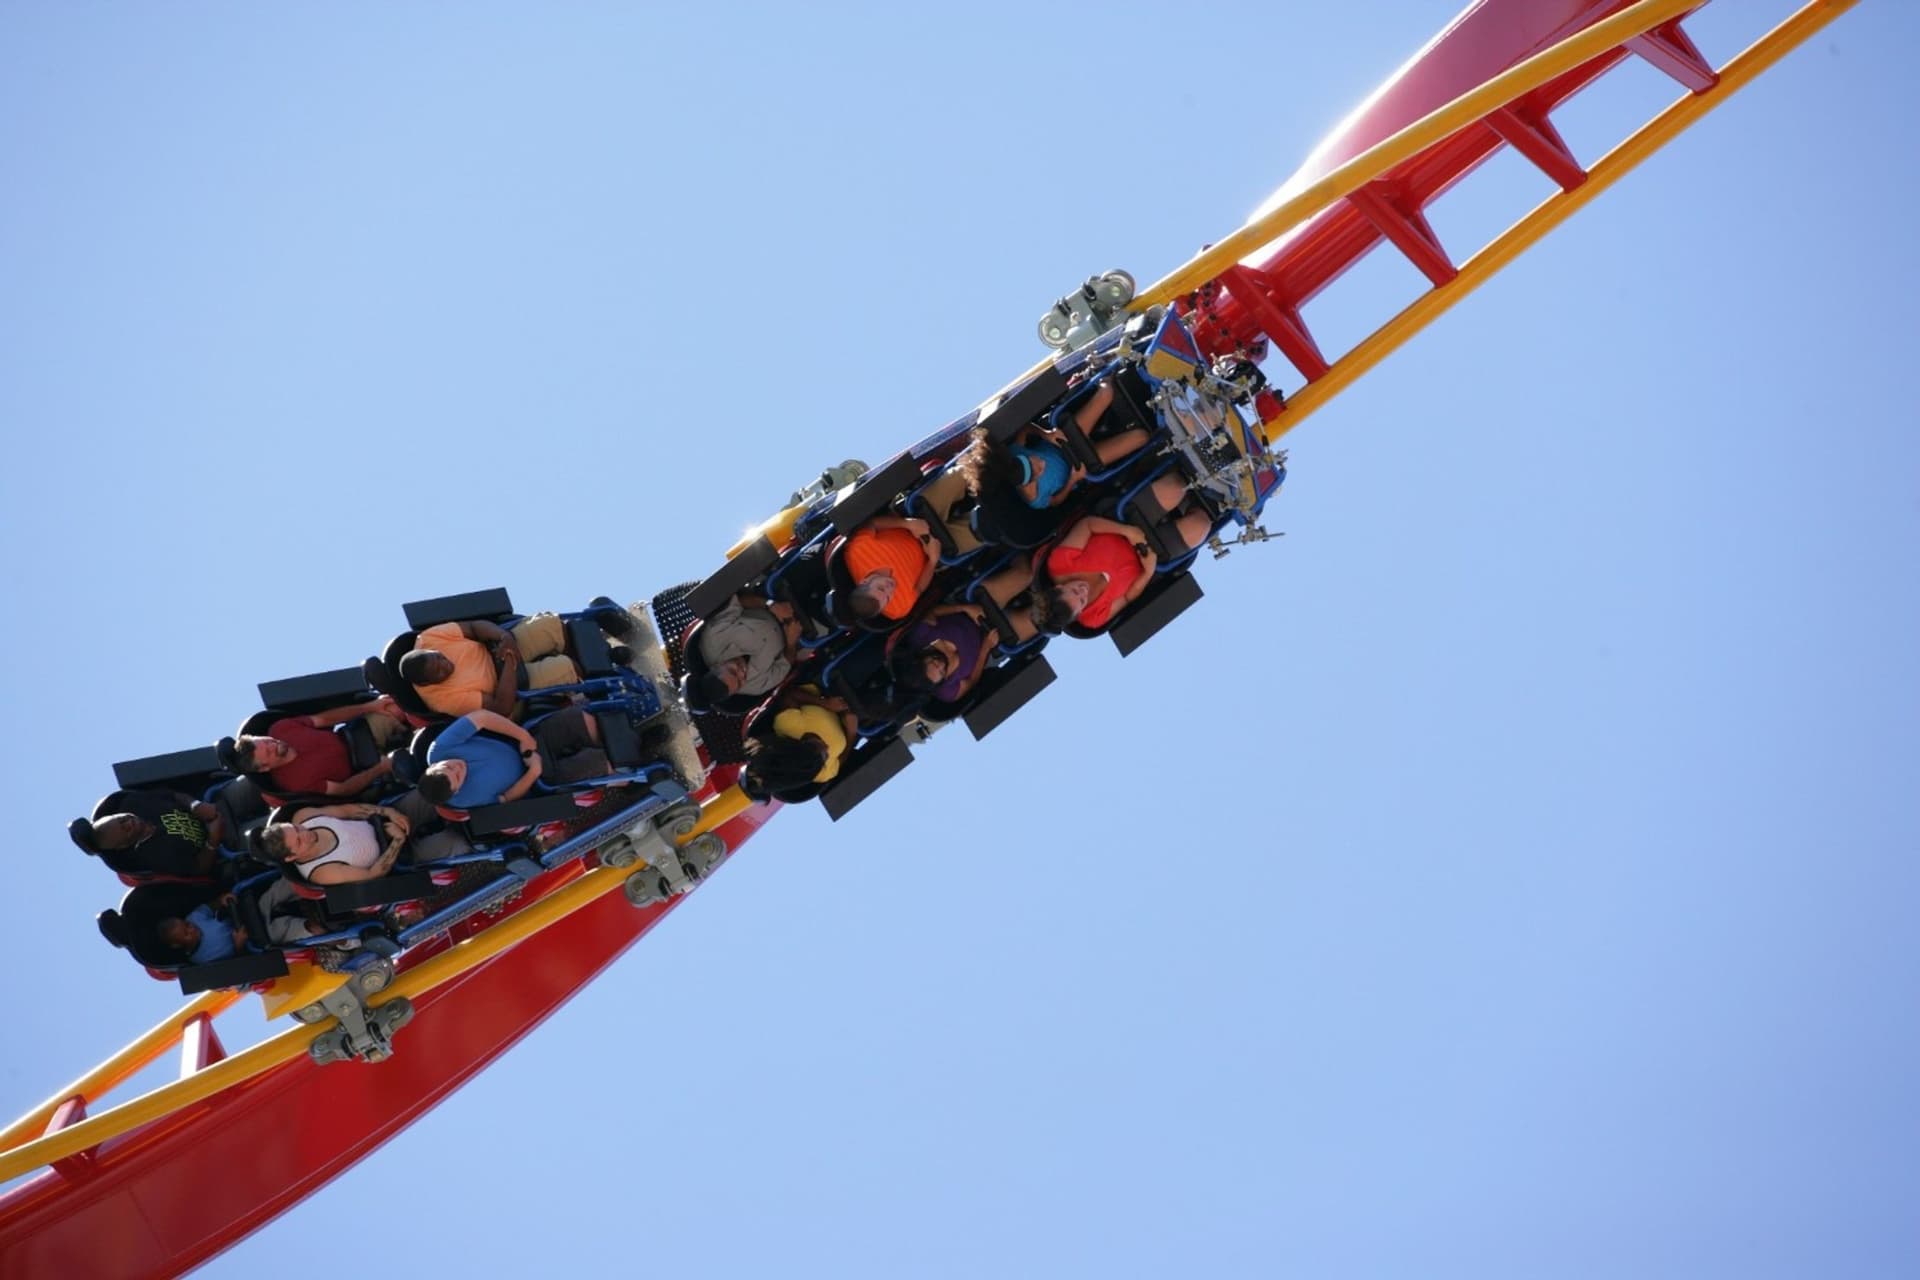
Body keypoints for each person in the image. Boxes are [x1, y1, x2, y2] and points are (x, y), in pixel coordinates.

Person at [959, 380, 1152, 545]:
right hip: (1078, 464)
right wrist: (1073, 480)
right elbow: (1057, 500)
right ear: (1030, 482)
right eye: (1038, 471)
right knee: (1141, 437)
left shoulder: (1014, 453)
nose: (1040, 465)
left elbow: (1025, 431)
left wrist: (1046, 434)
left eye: (1034, 461)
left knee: (1106, 392)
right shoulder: (1035, 501)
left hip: (1064, 441)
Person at [1034, 474, 1213, 633]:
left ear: (1059, 588)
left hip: (1124, 521)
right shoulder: (1093, 618)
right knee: (1201, 525)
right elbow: (1127, 598)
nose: (1083, 591)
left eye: (1074, 590)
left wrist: (1127, 531)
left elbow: (1087, 524)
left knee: (1176, 486)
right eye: (1082, 601)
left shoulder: (1059, 564)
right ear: (1079, 612)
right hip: (1148, 556)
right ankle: (1198, 503)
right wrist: (1148, 571)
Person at [398, 612, 605, 719]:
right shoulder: (441, 700)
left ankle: (601, 646)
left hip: (498, 648)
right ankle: (603, 674)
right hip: (510, 686)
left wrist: (503, 636)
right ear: (427, 683)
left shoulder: (429, 638)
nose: (446, 665)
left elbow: (473, 626)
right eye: (439, 672)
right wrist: (509, 663)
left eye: (440, 658)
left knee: (551, 625)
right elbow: (501, 707)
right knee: (566, 668)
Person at [415, 707, 614, 813]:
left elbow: (482, 717)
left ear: (435, 765)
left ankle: (622, 729)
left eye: (449, 766)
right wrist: (533, 772)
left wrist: (523, 737)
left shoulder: (440, 748)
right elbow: (505, 798)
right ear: (457, 791)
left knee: (581, 720)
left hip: (524, 743)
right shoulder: (462, 800)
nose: (458, 767)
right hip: (538, 777)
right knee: (598, 763)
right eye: (458, 776)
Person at [226, 694, 407, 799]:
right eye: (268, 751)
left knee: (392, 707)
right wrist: (379, 768)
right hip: (365, 769)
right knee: (405, 763)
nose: (272, 744)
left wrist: (370, 706)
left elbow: (326, 719)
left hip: (356, 737)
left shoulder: (280, 729)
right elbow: (343, 789)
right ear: (265, 767)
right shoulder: (295, 784)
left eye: (265, 741)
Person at [71, 789, 225, 880]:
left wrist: (195, 805)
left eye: (121, 819)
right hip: (225, 845)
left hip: (217, 806)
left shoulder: (133, 803)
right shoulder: (153, 856)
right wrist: (213, 840)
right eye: (125, 829)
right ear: (124, 845)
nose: (128, 822)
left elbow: (172, 795)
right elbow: (199, 867)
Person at [740, 686, 858, 801]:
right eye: (825, 756)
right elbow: (840, 761)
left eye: (820, 747)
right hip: (855, 720)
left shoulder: (787, 725)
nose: (827, 747)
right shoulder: (819, 773)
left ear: (804, 742)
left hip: (829, 691)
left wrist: (826, 703)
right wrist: (851, 733)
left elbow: (790, 695)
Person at [252, 802, 413, 886]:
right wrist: (397, 842)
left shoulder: (303, 816)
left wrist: (388, 812)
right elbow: (372, 874)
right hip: (403, 857)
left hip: (383, 821)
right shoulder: (321, 872)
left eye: (296, 828)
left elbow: (348, 810)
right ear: (291, 857)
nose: (305, 833)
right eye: (299, 841)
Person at [695, 593, 803, 703]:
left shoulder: (713, 637)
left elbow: (738, 602)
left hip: (770, 598)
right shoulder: (756, 688)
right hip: (799, 633)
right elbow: (784, 665)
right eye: (740, 682)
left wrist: (771, 605)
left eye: (733, 671)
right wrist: (791, 643)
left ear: (715, 666)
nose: (742, 672)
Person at [841, 514, 939, 623]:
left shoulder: (857, 550)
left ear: (865, 581)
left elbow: (871, 524)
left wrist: (907, 523)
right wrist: (933, 561)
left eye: (881, 588)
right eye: (888, 598)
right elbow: (919, 588)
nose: (890, 588)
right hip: (934, 549)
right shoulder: (898, 610)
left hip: (912, 518)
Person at [891, 603, 995, 703]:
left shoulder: (920, 636)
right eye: (942, 672)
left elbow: (932, 611)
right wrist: (986, 648)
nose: (941, 665)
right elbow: (971, 682)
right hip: (992, 642)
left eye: (934, 663)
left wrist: (965, 608)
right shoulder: (947, 692)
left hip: (971, 613)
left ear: (921, 657)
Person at [156, 894, 247, 965]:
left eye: (187, 925)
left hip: (241, 910)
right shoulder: (202, 960)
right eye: (186, 934)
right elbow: (236, 967)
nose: (191, 929)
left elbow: (213, 905)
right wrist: (239, 945)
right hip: (252, 942)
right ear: (177, 945)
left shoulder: (194, 917)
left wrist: (222, 899)